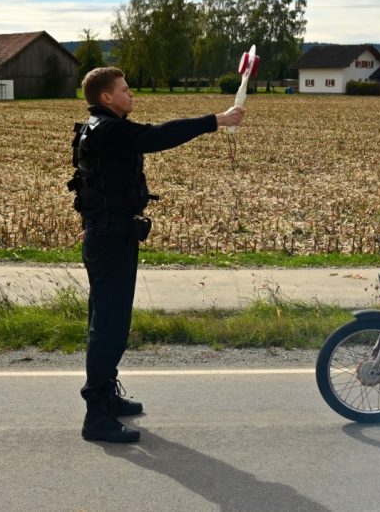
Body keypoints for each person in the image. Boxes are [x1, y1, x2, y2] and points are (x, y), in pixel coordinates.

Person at [68, 67, 246, 443]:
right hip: (110, 239)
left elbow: (90, 182)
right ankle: (96, 415)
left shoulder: (95, 128)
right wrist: (216, 120)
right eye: (125, 90)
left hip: (108, 235)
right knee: (109, 328)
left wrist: (91, 219)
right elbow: (160, 135)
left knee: (107, 322)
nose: (131, 95)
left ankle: (107, 397)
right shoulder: (112, 131)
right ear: (106, 98)